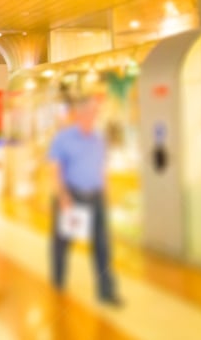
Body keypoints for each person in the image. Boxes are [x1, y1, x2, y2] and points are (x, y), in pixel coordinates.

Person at [49, 96, 122, 306]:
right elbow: (55, 169)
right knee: (63, 243)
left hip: (95, 197)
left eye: (95, 113)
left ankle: (106, 291)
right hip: (72, 196)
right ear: (79, 114)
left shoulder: (98, 139)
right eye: (90, 112)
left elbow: (101, 168)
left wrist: (106, 193)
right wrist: (62, 195)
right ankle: (58, 285)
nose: (93, 116)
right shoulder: (64, 138)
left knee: (102, 245)